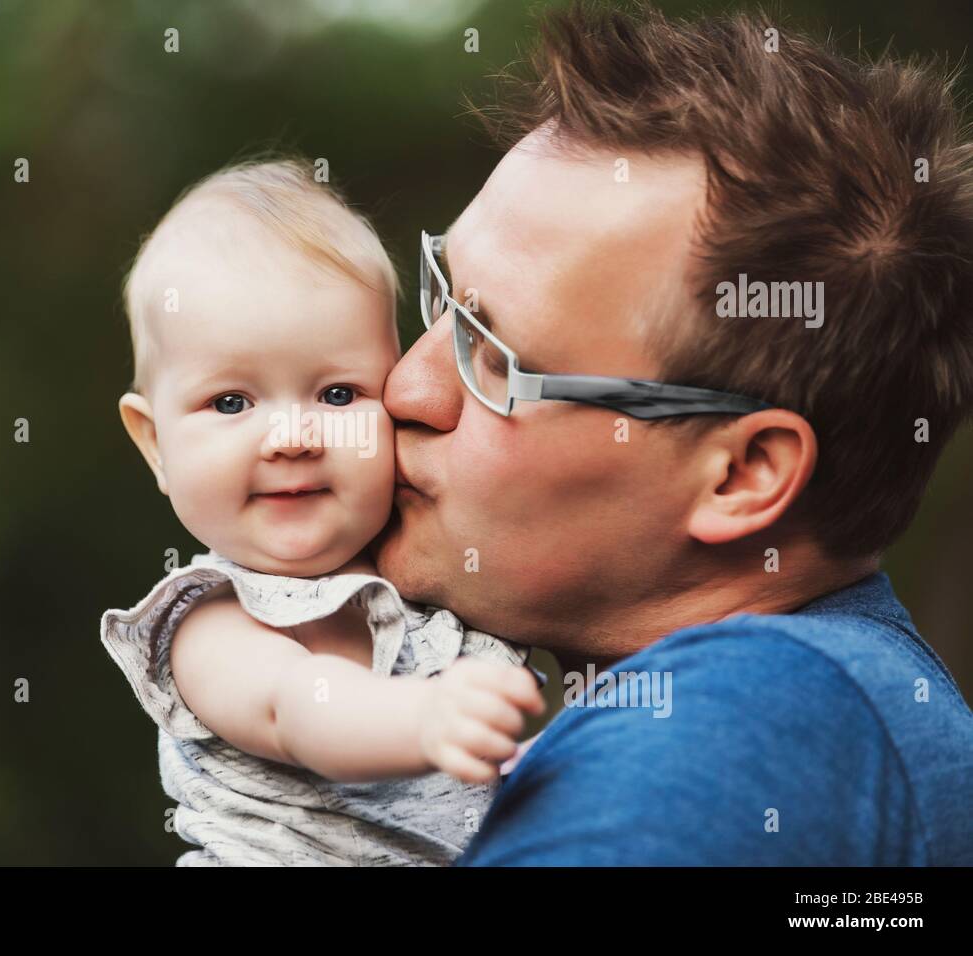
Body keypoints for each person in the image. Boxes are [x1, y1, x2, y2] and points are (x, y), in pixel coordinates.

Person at [371, 4, 973, 865]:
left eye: (493, 358)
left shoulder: (734, 732)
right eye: (442, 295)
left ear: (743, 475)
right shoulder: (832, 720)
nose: (406, 388)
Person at [101, 158, 544, 866]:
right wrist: (424, 719)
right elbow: (295, 707)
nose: (292, 438)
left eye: (337, 395)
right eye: (231, 403)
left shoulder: (439, 585)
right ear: (155, 443)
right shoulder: (209, 620)